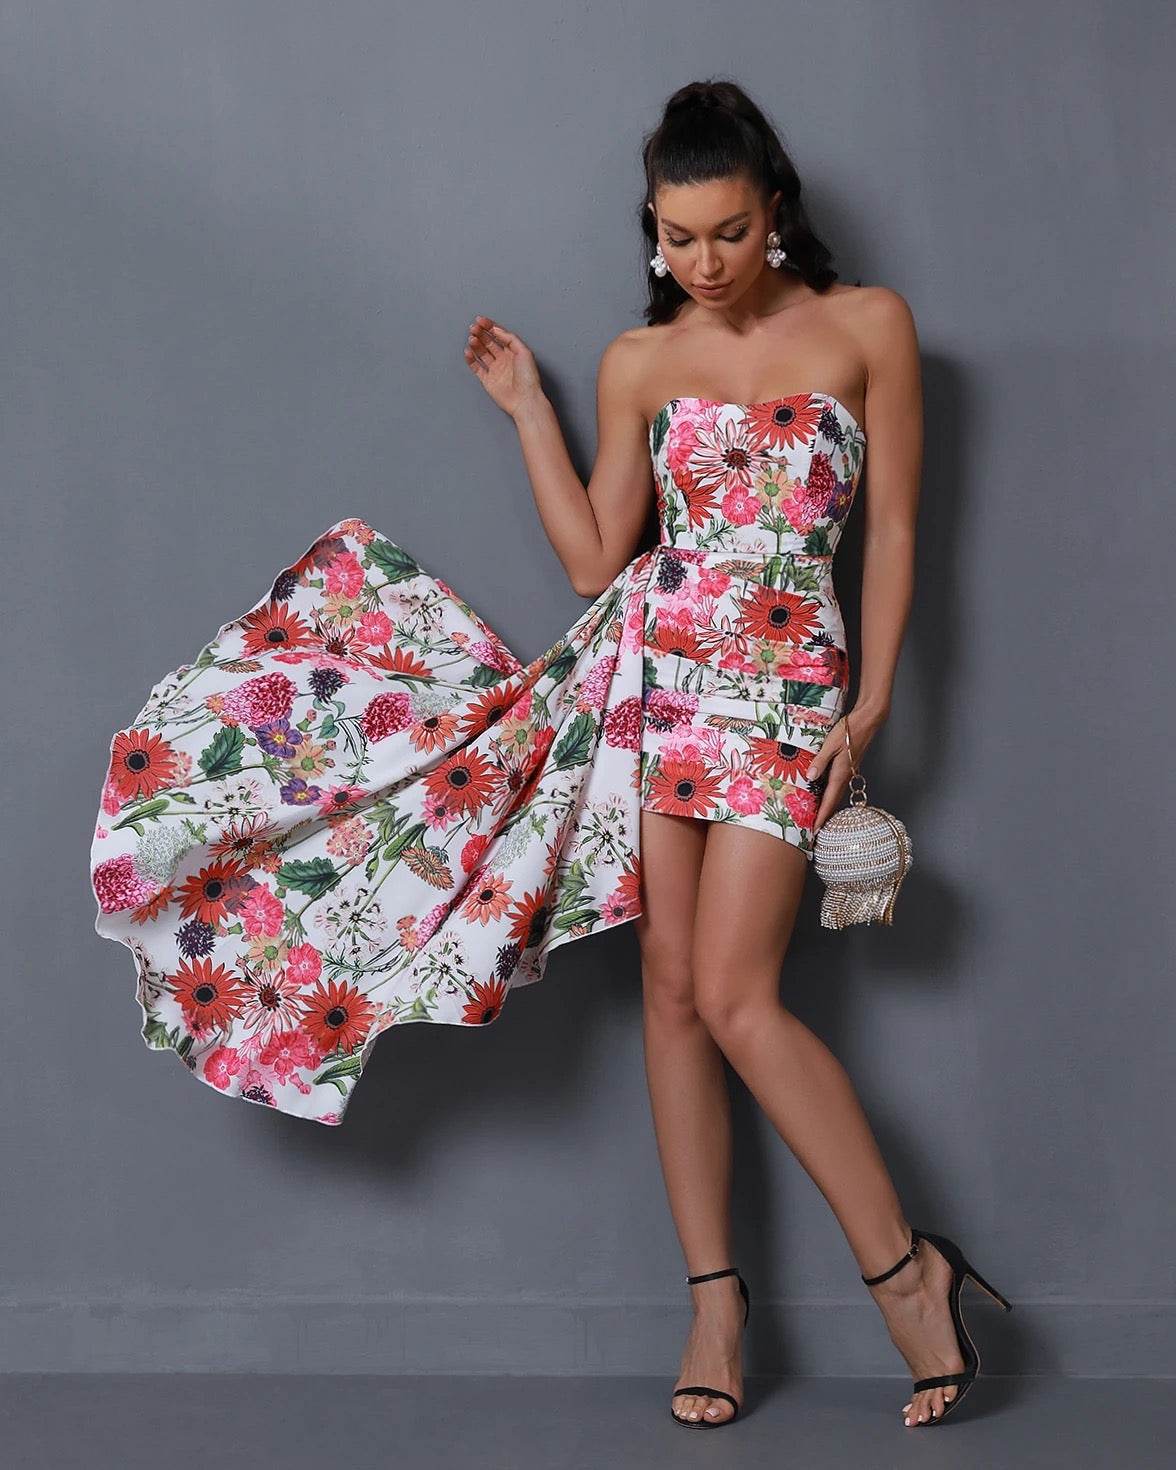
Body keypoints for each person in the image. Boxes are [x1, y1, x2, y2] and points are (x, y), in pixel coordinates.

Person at [88, 76, 1009, 1433]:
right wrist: (531, 408)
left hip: (785, 693)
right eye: (678, 238)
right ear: (654, 229)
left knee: (738, 994)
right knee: (674, 994)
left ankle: (907, 1270)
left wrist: (869, 706)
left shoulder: (870, 326)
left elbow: (904, 532)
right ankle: (716, 1303)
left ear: (775, 211)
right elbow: (595, 559)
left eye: (729, 232)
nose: (705, 263)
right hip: (658, 685)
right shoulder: (642, 362)